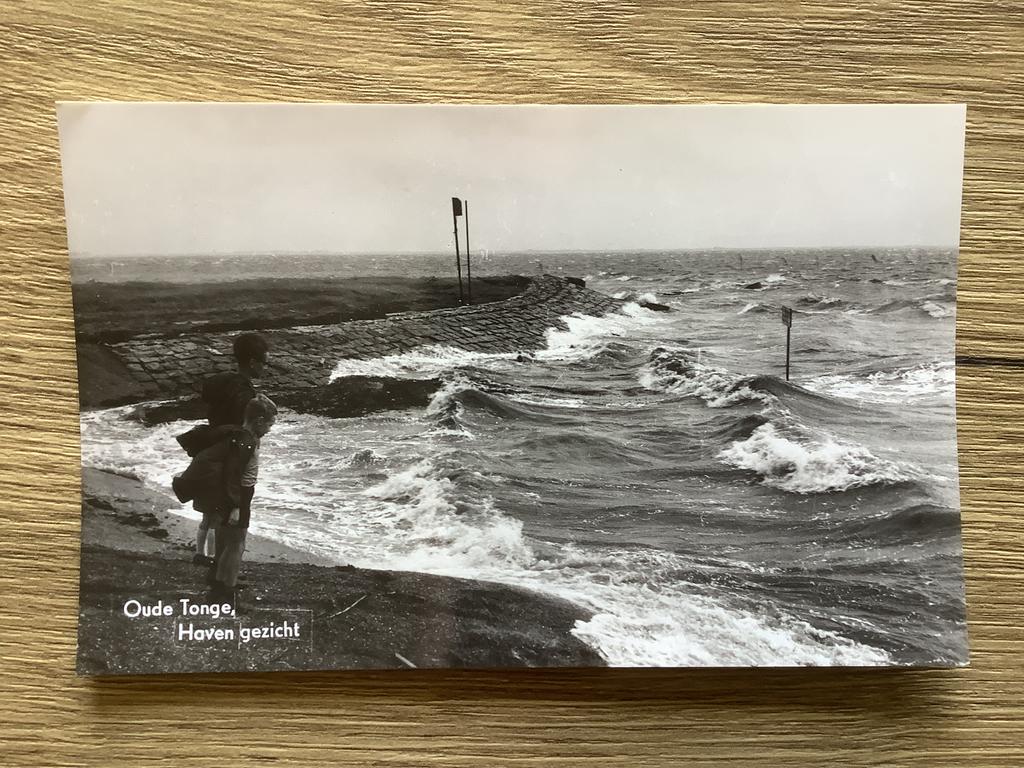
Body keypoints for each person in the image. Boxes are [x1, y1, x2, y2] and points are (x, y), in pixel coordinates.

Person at [178, 332, 269, 566]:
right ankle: (218, 564)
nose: (265, 367)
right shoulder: (245, 393)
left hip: (213, 450)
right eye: (263, 362)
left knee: (210, 514)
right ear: (252, 362)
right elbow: (243, 428)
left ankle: (205, 557)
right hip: (230, 454)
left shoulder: (224, 382)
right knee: (226, 513)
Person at [209, 393, 278, 604]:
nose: (269, 430)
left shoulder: (242, 436)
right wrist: (237, 506)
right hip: (239, 495)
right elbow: (233, 475)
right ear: (259, 421)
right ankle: (227, 595)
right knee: (237, 545)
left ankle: (218, 587)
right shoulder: (246, 442)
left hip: (230, 494)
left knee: (228, 542)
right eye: (269, 425)